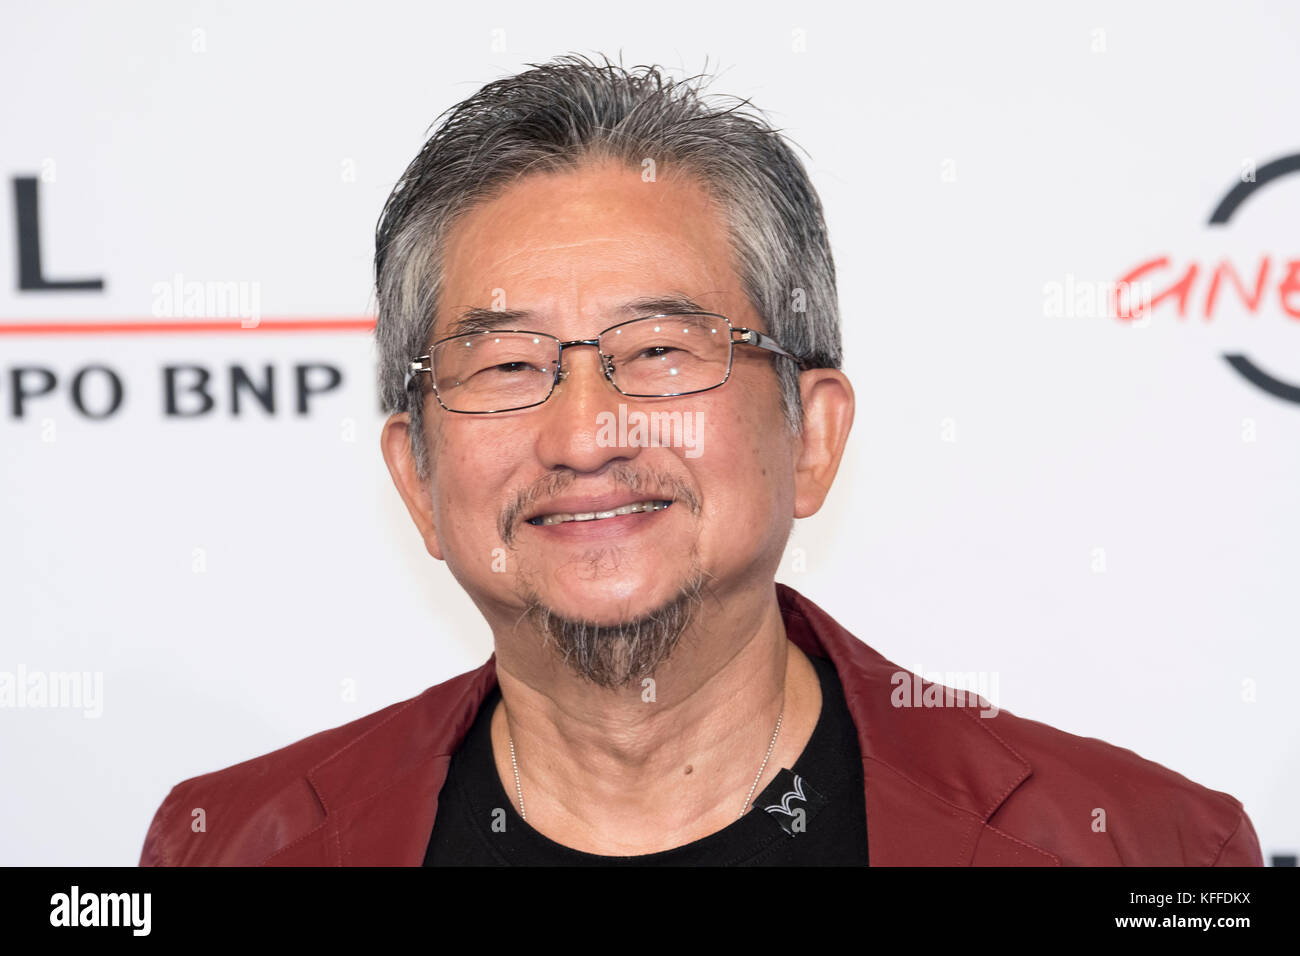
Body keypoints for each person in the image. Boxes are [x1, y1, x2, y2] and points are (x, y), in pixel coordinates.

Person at [139, 53, 1262, 866]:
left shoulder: (1142, 851)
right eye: (506, 364)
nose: (584, 435)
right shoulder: (236, 843)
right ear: (417, 478)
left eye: (661, 351)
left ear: (811, 435)